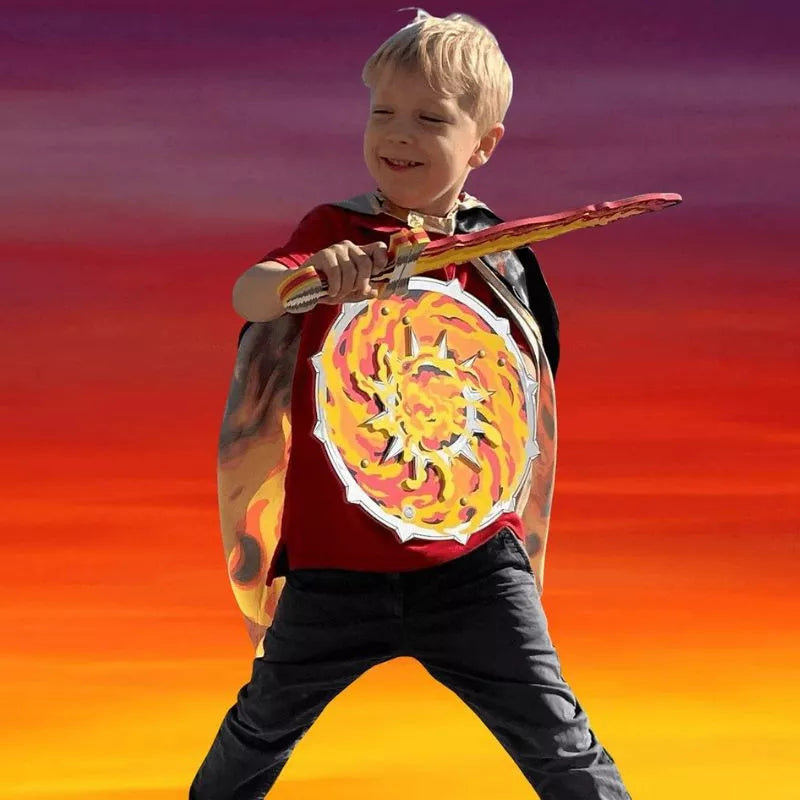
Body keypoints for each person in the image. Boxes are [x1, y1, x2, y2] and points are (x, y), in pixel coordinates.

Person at [190, 10, 633, 800]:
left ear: (484, 143)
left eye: (430, 118)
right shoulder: (336, 230)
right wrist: (315, 276)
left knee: (563, 749)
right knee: (257, 733)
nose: (398, 134)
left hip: (473, 569)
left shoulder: (497, 257)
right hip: (334, 569)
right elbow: (249, 294)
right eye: (382, 112)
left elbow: (526, 394)